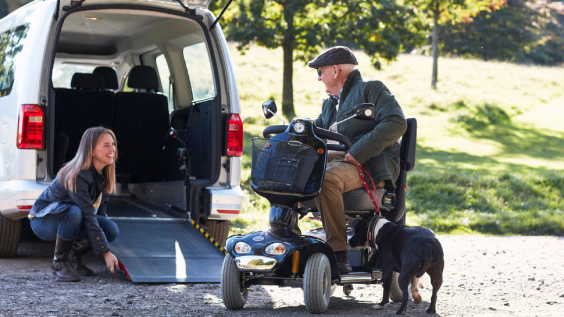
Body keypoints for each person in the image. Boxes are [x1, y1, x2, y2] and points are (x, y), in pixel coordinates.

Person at [308, 46, 407, 273]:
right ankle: (287, 236)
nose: (318, 78)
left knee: (326, 180)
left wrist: (359, 151)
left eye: (320, 72)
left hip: (369, 165)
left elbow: (396, 122)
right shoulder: (330, 103)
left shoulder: (371, 89)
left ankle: (338, 253)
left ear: (335, 70)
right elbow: (320, 134)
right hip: (339, 160)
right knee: (296, 166)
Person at [29, 127, 120, 282]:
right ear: (90, 151)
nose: (112, 149)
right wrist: (106, 252)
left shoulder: (103, 176)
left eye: (113, 144)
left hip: (70, 217)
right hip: (43, 221)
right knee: (75, 211)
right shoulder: (77, 175)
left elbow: (99, 216)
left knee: (110, 229)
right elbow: (88, 216)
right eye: (106, 145)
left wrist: (104, 244)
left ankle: (74, 258)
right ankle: (59, 264)